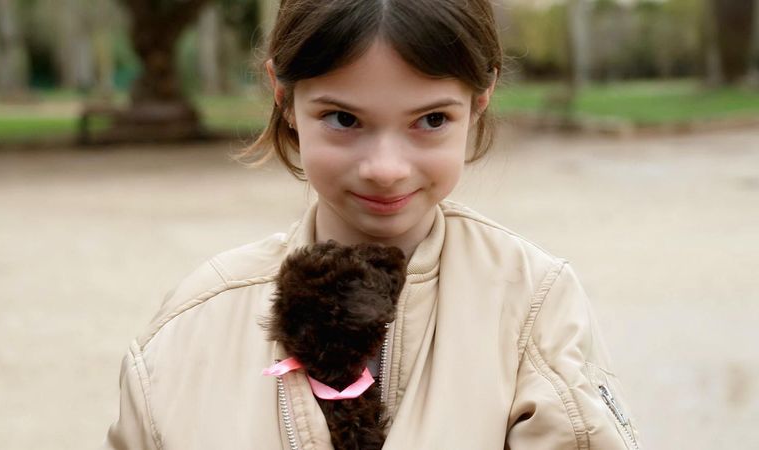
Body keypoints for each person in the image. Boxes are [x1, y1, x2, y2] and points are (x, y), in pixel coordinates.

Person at [104, 0, 641, 448]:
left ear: (480, 102)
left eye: (431, 120)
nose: (386, 169)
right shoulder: (189, 330)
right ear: (283, 96)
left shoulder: (531, 305)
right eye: (343, 119)